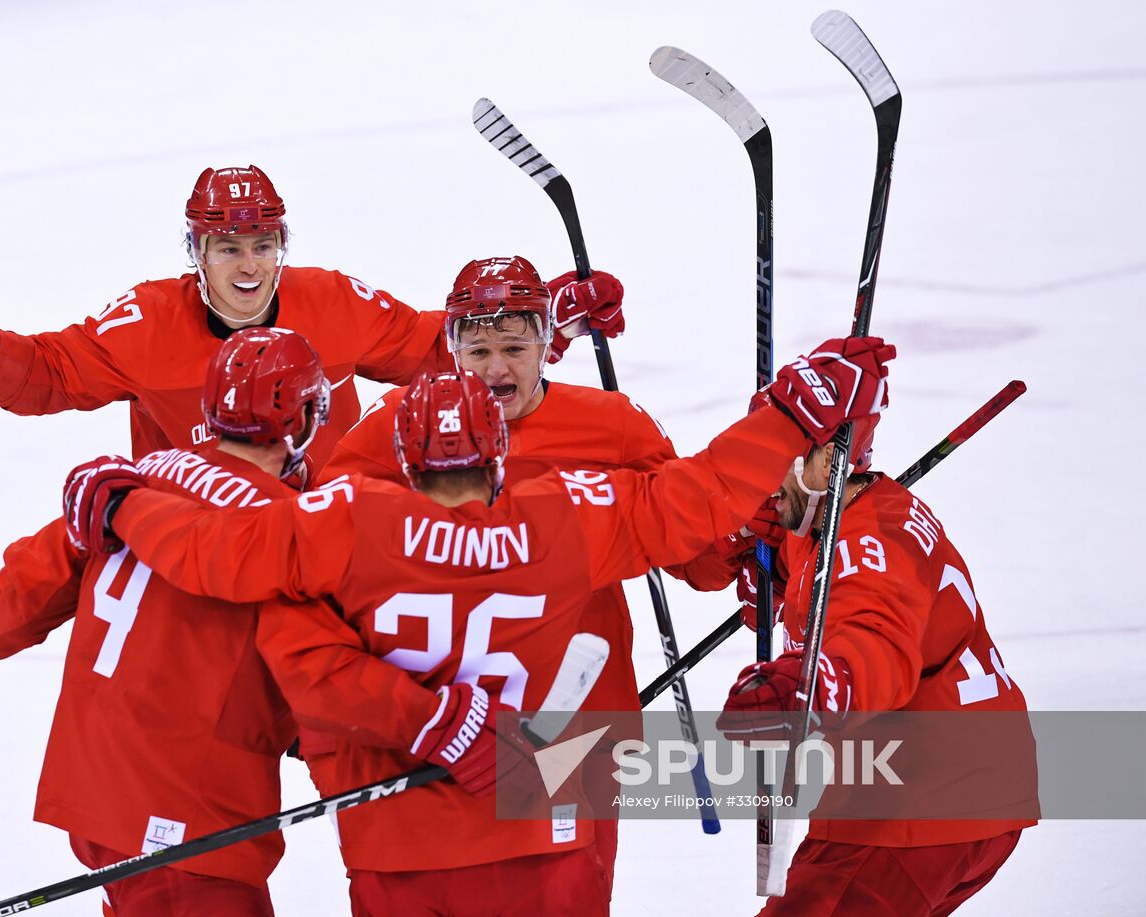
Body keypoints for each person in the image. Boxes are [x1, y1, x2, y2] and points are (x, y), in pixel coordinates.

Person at [63, 337, 894, 915]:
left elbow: (221, 556)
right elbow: (696, 501)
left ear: (405, 460)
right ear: (500, 456)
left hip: (401, 850)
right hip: (548, 832)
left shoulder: (347, 518)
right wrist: (790, 414)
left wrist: (128, 501)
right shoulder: (567, 511)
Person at [0, 327, 358, 916]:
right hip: (190, 805)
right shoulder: (286, 535)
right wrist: (382, 799)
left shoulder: (136, 477)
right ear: (308, 414)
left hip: (98, 784)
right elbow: (328, 683)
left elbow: (36, 579)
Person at [321, 254, 733, 887]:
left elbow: (694, 552)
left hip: (580, 713)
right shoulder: (395, 428)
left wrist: (747, 544)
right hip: (447, 722)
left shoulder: (613, 425)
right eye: (477, 349)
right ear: (451, 348)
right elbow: (322, 542)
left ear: (547, 340)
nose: (495, 369)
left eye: (515, 346)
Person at [0, 165, 625, 472]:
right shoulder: (145, 323)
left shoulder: (334, 302)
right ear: (196, 251)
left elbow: (438, 347)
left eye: (263, 243)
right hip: (211, 557)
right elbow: (50, 378)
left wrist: (539, 314)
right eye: (228, 246)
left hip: (330, 548)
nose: (249, 265)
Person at [716, 403, 1037, 916]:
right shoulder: (837, 511)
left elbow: (875, 644)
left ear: (824, 463)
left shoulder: (866, 546)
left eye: (767, 458)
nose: (754, 477)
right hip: (958, 788)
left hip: (919, 804)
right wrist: (774, 568)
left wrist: (814, 685)